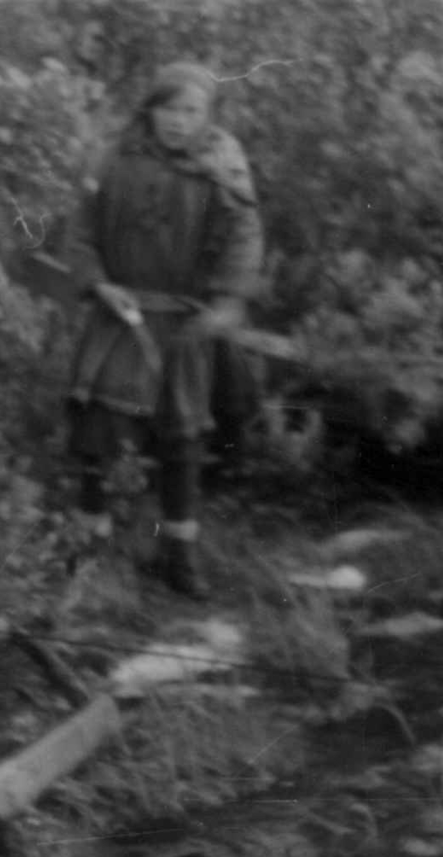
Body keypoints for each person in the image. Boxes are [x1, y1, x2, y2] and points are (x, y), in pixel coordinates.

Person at [67, 59, 264, 599]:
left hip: (184, 324)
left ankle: (178, 555)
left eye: (192, 111)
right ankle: (90, 553)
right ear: (150, 110)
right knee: (103, 434)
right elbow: (80, 233)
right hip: (121, 318)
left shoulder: (222, 165)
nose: (180, 121)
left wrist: (226, 302)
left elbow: (245, 235)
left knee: (183, 441)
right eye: (170, 109)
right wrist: (99, 283)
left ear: (208, 115)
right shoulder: (113, 158)